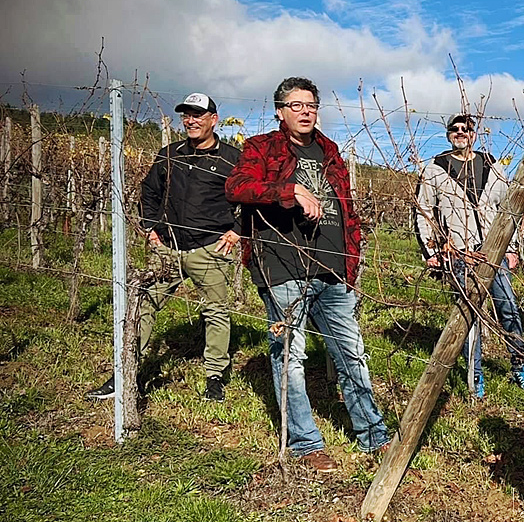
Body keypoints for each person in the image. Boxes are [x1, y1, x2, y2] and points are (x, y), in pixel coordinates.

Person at [225, 76, 390, 474]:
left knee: (352, 354)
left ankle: (374, 436)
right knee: (291, 357)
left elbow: (346, 208)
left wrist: (351, 258)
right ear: (279, 111)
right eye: (295, 105)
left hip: (332, 267)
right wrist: (290, 191)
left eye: (311, 105)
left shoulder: (330, 151)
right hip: (283, 266)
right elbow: (237, 186)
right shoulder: (261, 147)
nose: (305, 112)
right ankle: (305, 443)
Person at [86, 91, 241, 402]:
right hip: (167, 248)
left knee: (216, 313)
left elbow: (250, 199)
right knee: (144, 306)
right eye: (187, 115)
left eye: (198, 114)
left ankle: (214, 377)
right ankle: (124, 372)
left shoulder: (232, 159)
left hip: (210, 248)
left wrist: (237, 232)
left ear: (213, 119)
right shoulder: (169, 154)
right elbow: (149, 192)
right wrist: (151, 228)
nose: (191, 120)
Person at [414, 114, 524, 396]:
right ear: (448, 134)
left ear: (474, 134)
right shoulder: (435, 169)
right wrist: (432, 251)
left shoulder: (492, 165)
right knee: (469, 316)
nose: (461, 132)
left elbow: (509, 209)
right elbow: (424, 212)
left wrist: (512, 247)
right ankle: (475, 376)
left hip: (494, 252)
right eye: (455, 129)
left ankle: (520, 368)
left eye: (467, 129)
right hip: (460, 253)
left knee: (509, 309)